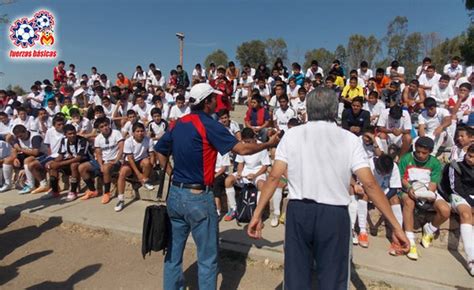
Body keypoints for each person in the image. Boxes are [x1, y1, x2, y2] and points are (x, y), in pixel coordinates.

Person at [247, 87, 409, 290]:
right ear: (335, 111)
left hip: (299, 212)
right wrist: (395, 226)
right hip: (334, 215)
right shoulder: (350, 139)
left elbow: (273, 177)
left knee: (296, 276)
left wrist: (257, 213)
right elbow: (369, 183)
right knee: (333, 279)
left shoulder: (291, 135)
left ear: (308, 108)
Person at [153, 83, 279, 290]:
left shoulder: (177, 124)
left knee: (173, 255)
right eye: (213, 98)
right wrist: (268, 144)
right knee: (207, 259)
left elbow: (160, 150)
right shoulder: (209, 124)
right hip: (198, 197)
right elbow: (243, 149)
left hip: (175, 193)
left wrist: (171, 174)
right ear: (207, 102)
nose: (216, 101)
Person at [398, 137, 451, 260]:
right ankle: (410, 241)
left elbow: (433, 185)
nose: (420, 155)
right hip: (408, 189)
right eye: (418, 152)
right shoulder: (406, 158)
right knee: (408, 203)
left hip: (427, 192)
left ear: (430, 152)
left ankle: (430, 228)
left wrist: (426, 195)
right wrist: (410, 188)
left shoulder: (435, 163)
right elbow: (401, 178)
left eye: (424, 153)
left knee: (445, 210)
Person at [439, 144, 474, 276]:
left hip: (472, 196)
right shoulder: (456, 165)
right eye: (469, 155)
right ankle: (471, 259)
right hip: (457, 195)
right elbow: (455, 188)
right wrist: (470, 201)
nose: (470, 159)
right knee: (466, 214)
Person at [223, 128, 271, 221]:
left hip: (258, 173)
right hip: (245, 172)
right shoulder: (243, 146)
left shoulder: (261, 146)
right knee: (228, 180)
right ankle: (233, 209)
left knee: (261, 185)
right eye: (245, 142)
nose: (247, 144)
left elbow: (265, 166)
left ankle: (258, 215)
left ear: (254, 138)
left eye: (249, 141)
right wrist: (239, 173)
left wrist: (255, 175)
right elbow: (240, 163)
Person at [78, 117, 124, 204]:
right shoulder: (98, 138)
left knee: (106, 168)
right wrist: (100, 165)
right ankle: (92, 190)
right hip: (103, 160)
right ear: (99, 129)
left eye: (106, 125)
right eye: (102, 127)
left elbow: (121, 148)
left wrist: (116, 160)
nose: (105, 128)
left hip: (115, 160)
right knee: (81, 167)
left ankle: (107, 193)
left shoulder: (116, 133)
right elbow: (98, 153)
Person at [46, 124, 91, 201]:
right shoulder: (64, 140)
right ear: (65, 134)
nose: (73, 135)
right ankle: (55, 191)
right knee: (53, 166)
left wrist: (59, 163)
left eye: (74, 133)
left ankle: (73, 192)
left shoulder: (83, 141)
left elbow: (79, 157)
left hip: (84, 161)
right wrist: (53, 162)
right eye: (70, 134)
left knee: (74, 165)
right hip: (71, 160)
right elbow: (61, 155)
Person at [116, 122, 154, 212]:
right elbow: (130, 159)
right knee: (122, 173)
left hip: (141, 160)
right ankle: (120, 199)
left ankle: (144, 181)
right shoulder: (128, 142)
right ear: (133, 133)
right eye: (137, 131)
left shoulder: (148, 140)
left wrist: (151, 167)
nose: (140, 133)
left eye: (142, 131)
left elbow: (152, 154)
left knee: (147, 162)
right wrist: (138, 174)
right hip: (130, 162)